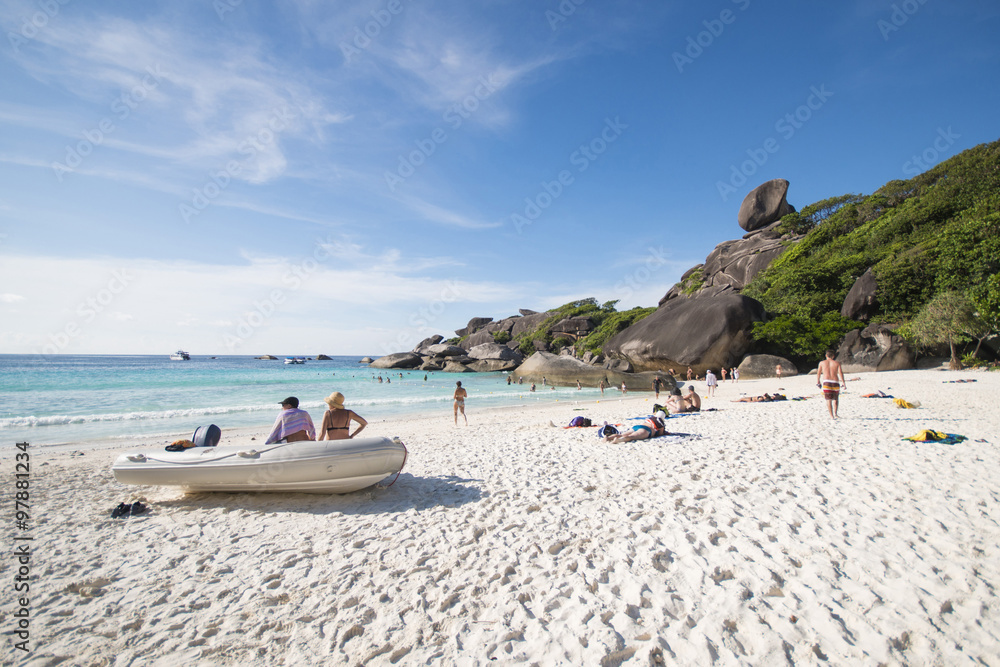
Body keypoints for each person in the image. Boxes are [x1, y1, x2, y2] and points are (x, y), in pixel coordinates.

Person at [817, 349, 846, 419]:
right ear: (833, 356)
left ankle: (831, 415)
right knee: (836, 399)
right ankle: (835, 414)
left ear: (826, 355)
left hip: (826, 382)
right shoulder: (837, 363)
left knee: (828, 400)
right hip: (835, 381)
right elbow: (840, 373)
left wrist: (818, 381)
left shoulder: (822, 363)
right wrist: (843, 382)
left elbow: (819, 373)